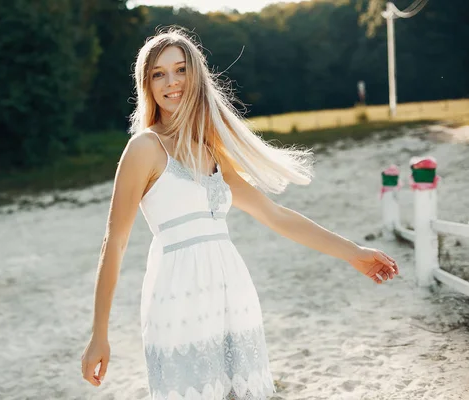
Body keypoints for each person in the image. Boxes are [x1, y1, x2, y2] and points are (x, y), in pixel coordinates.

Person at [81, 28, 399, 399]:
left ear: (196, 76)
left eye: (181, 69)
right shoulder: (144, 148)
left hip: (233, 295)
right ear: (147, 84)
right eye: (159, 74)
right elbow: (114, 243)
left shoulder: (212, 152)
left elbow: (276, 216)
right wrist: (99, 334)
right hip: (178, 301)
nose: (172, 82)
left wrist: (355, 254)